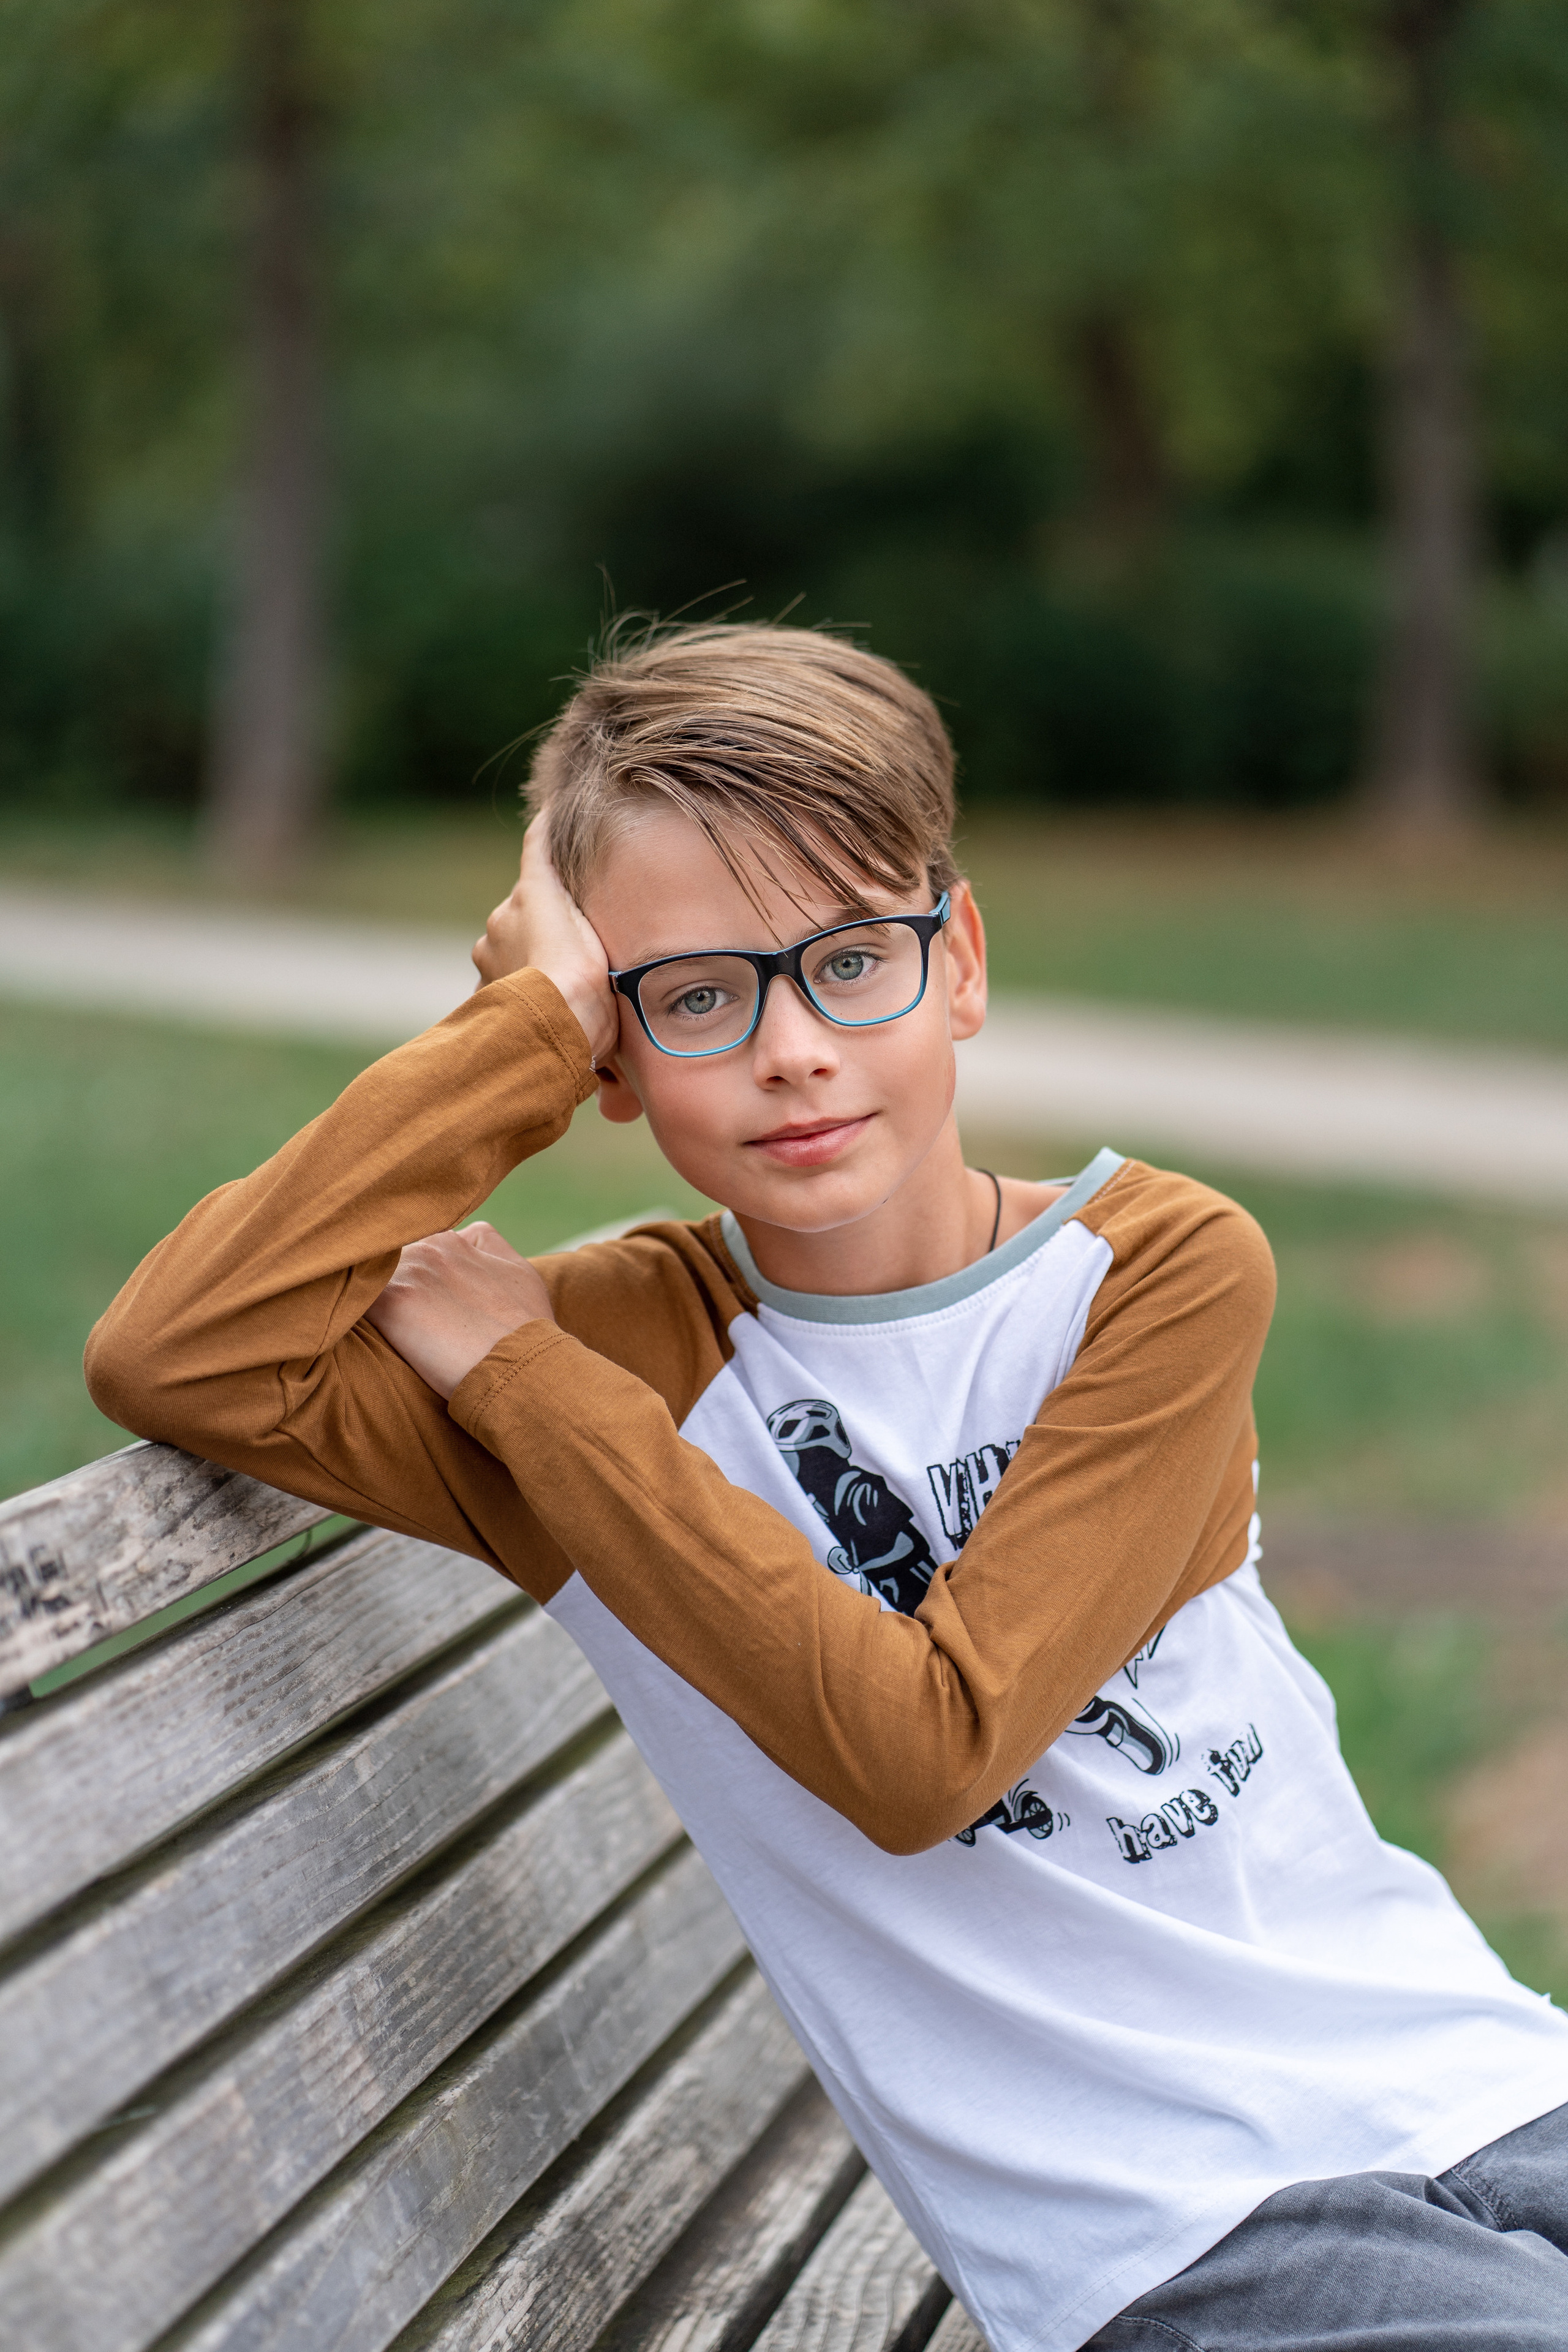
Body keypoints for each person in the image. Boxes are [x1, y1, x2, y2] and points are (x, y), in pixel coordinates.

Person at [85, 624, 1568, 2350]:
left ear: (962, 965)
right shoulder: (605, 1364)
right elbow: (181, 1348)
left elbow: (929, 1731)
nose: (791, 1049)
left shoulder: (1155, 1269)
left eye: (851, 959)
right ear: (613, 1065)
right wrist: (516, 1036)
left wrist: (523, 1373)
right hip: (1168, 2226)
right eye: (696, 995)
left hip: (1464, 2072)